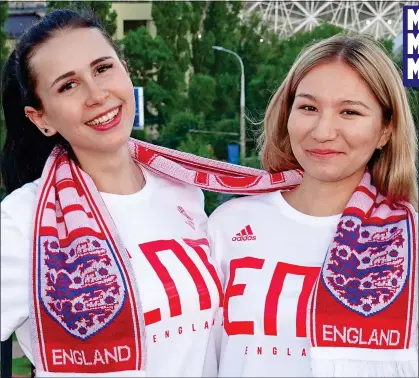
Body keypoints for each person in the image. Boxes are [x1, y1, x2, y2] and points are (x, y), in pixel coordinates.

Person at [0, 9, 224, 377]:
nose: (97, 94)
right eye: (67, 86)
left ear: (124, 69)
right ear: (41, 118)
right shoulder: (23, 221)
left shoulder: (182, 190)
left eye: (103, 68)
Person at [207, 35, 418, 377]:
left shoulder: (411, 241)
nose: (322, 131)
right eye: (308, 107)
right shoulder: (229, 225)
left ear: (386, 129)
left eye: (349, 111)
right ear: (287, 114)